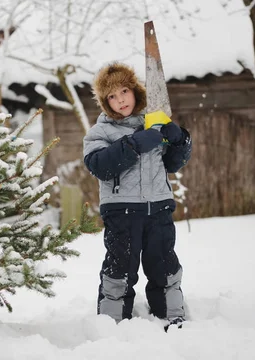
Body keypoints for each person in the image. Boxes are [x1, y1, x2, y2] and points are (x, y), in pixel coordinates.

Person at [83, 62, 192, 329]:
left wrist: (178, 139)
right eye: (112, 96)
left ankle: (170, 315)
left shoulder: (154, 124)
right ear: (105, 102)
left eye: (124, 91)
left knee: (164, 265)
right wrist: (132, 145)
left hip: (158, 210)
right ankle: (113, 323)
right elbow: (99, 166)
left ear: (136, 92)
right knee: (120, 269)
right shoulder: (100, 132)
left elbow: (174, 163)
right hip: (122, 213)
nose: (120, 100)